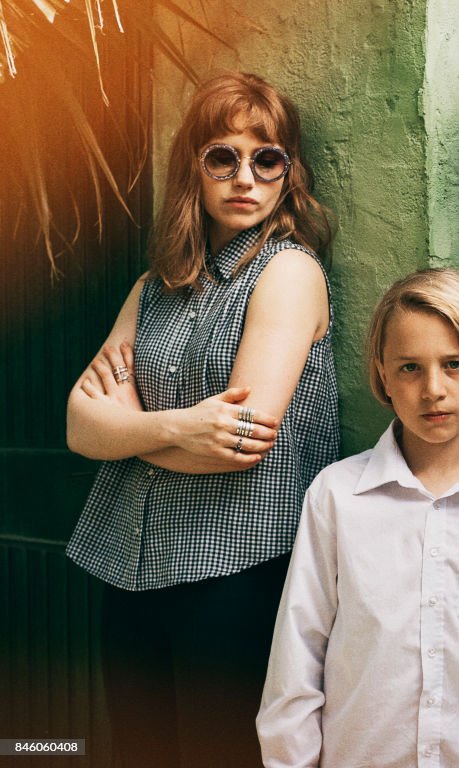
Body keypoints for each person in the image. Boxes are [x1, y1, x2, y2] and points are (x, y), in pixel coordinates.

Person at [65, 72, 338, 768]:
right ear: (194, 167)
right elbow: (78, 425)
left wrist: (125, 431)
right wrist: (178, 429)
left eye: (266, 159)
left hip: (233, 572)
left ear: (288, 172)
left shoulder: (288, 272)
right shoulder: (153, 286)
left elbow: (237, 441)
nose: (245, 177)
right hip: (126, 562)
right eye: (222, 157)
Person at [257, 268, 459, 768]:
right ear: (382, 373)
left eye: (454, 364)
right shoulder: (336, 497)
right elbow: (297, 662)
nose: (433, 389)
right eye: (409, 368)